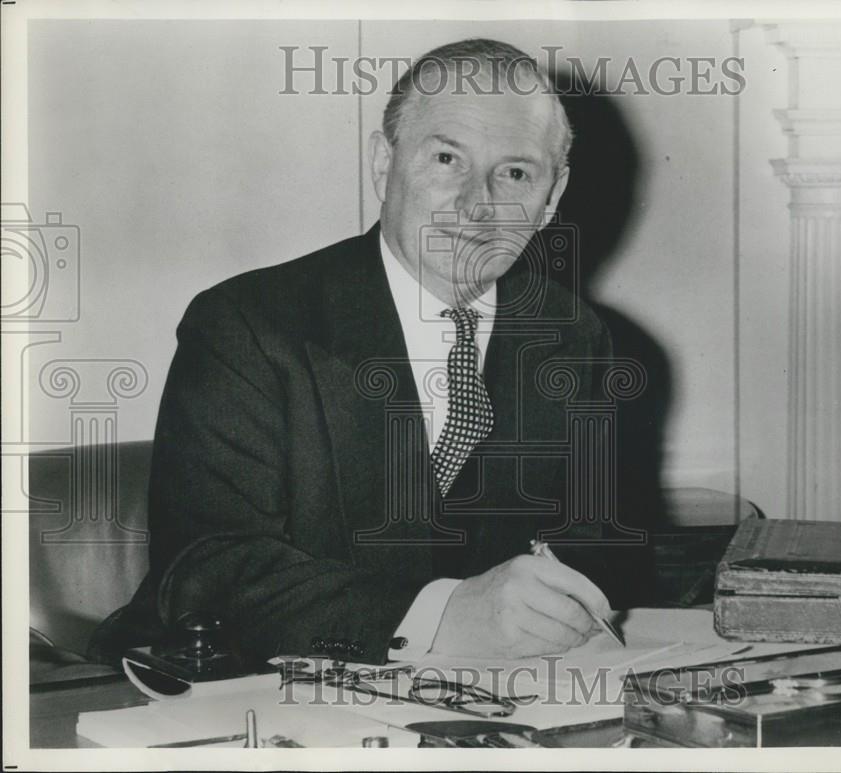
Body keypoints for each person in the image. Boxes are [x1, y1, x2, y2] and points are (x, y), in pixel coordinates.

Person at [91, 38, 644, 667]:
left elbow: (592, 539)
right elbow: (208, 569)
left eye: (515, 172)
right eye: (446, 158)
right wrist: (437, 618)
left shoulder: (574, 337)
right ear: (384, 163)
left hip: (494, 697)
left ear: (551, 198)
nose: (476, 203)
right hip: (233, 685)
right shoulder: (247, 324)